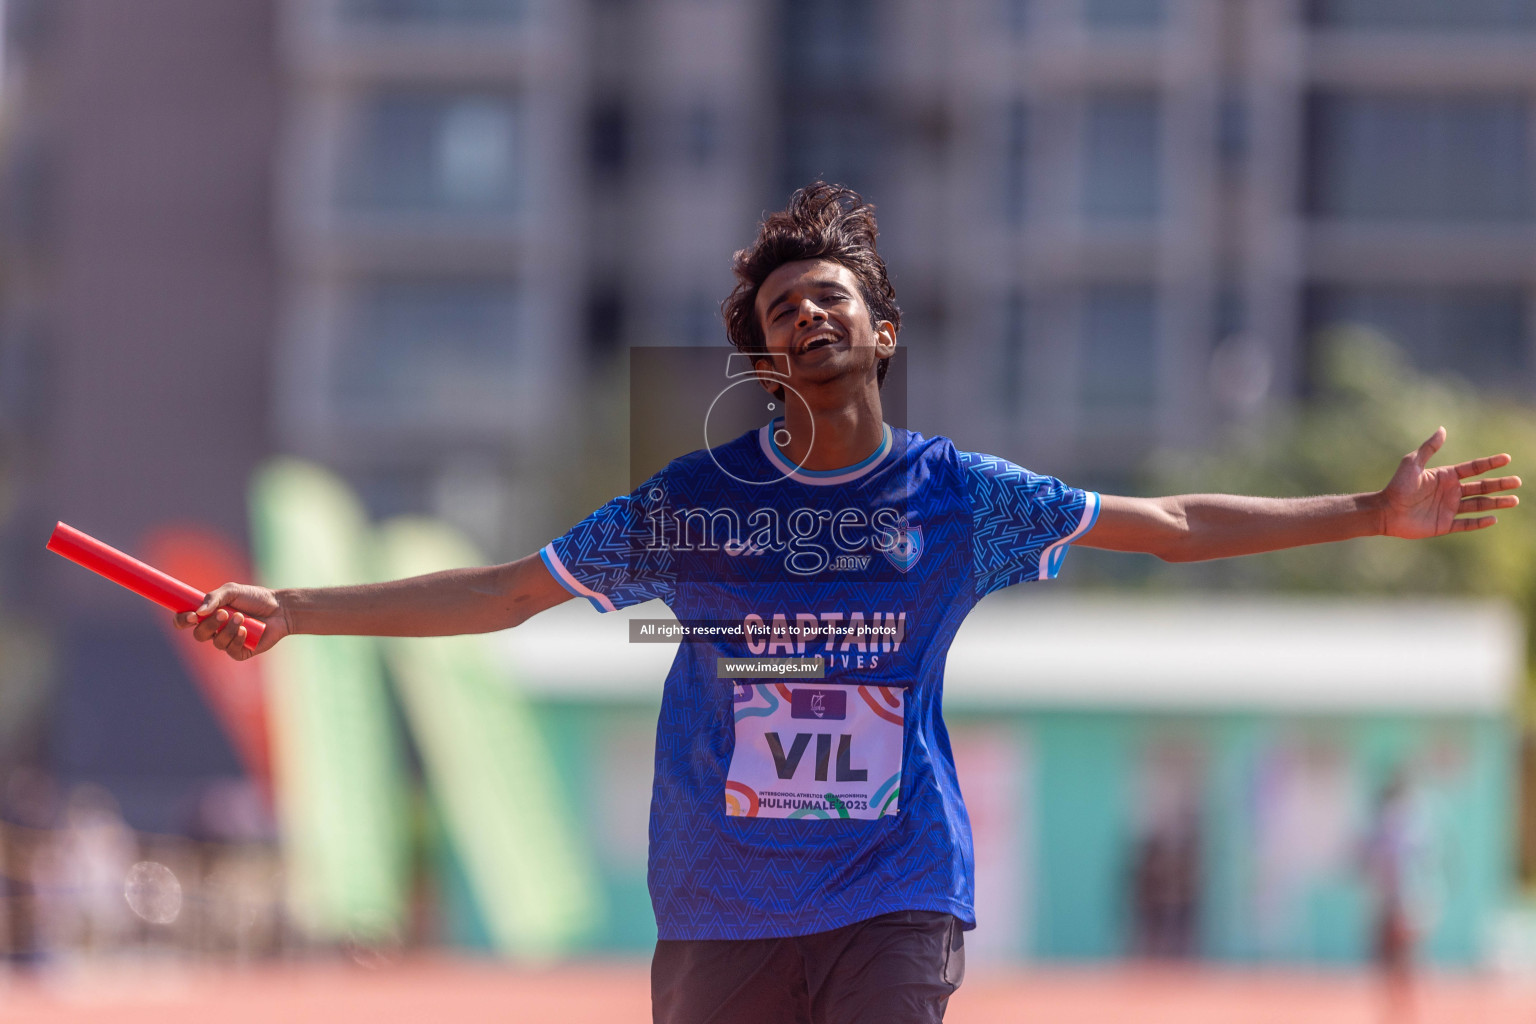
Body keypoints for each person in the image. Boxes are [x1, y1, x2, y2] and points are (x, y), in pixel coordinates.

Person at [179, 183, 1519, 1024]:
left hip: (895, 887)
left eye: (831, 297)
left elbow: (1164, 527)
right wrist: (294, 608)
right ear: (764, 359)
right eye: (781, 311)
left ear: (881, 331)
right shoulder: (691, 501)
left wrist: (1368, 511)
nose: (808, 316)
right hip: (716, 900)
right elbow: (507, 591)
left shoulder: (959, 495)